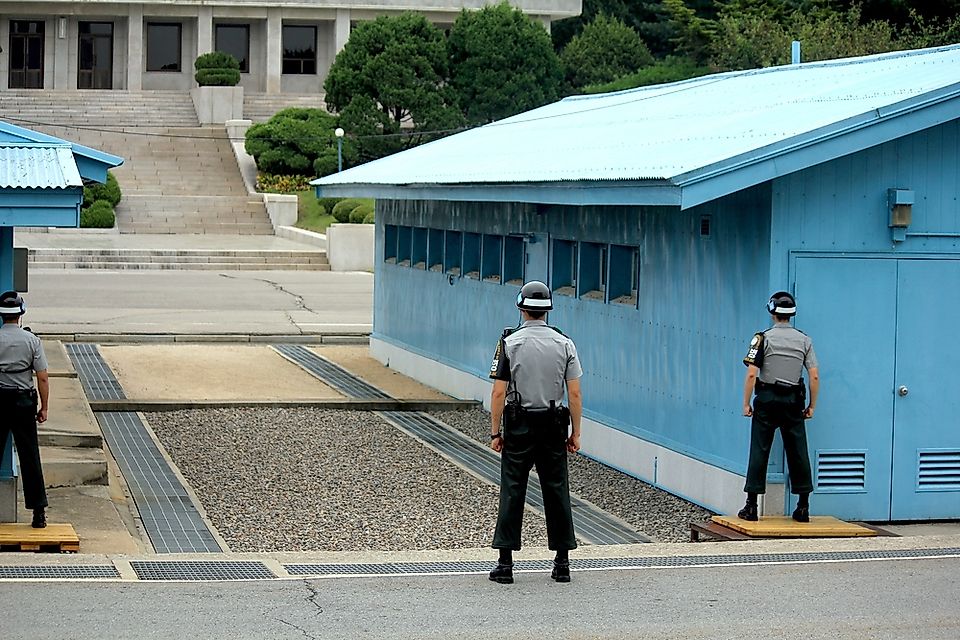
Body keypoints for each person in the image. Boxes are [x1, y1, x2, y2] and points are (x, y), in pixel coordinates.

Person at [487, 280, 583, 585]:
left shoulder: (510, 343)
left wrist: (495, 432)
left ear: (521, 307)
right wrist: (575, 434)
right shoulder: (565, 343)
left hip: (519, 424)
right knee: (556, 489)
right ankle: (563, 562)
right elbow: (575, 393)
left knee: (513, 489)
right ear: (548, 311)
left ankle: (505, 564)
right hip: (554, 424)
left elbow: (499, 393)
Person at [739, 290, 819, 523]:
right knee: (798, 451)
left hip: (766, 399)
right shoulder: (805, 340)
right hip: (794, 401)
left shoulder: (762, 338)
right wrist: (812, 406)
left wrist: (745, 403)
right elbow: (813, 376)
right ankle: (803, 507)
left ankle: (751, 506)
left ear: (772, 312)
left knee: (759, 449)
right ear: (792, 314)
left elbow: (752, 373)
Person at [0, 291, 49, 528]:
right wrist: (44, 407)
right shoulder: (32, 341)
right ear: (21, 313)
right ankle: (38, 513)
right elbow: (42, 377)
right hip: (23, 402)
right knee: (30, 456)